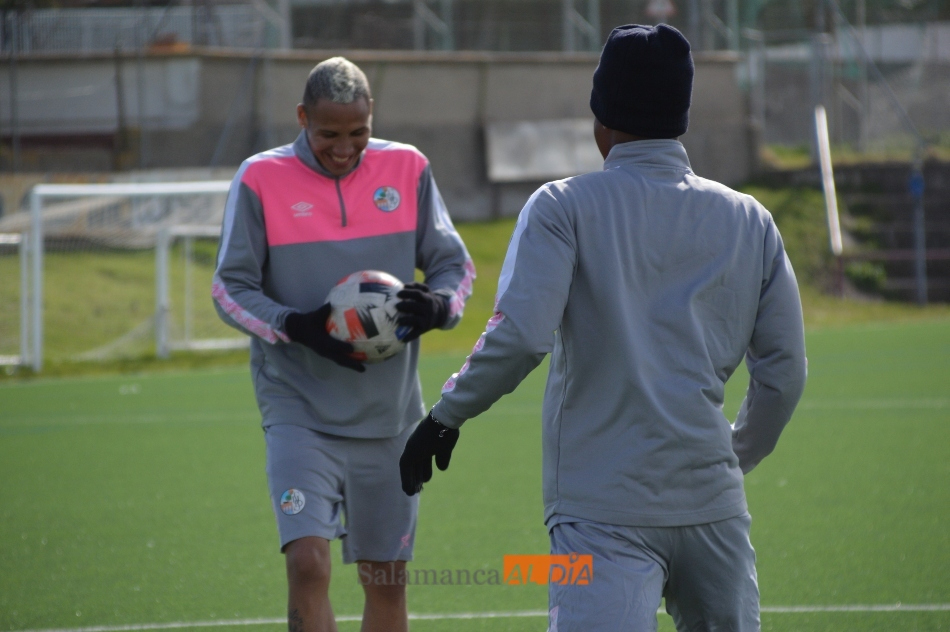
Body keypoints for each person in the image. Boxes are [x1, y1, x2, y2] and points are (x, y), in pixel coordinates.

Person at [400, 24, 807, 632]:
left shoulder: (563, 206)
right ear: (682, 115)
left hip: (600, 510)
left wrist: (444, 416)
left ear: (601, 117)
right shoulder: (750, 219)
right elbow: (784, 373)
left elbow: (521, 336)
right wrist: (731, 456)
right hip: (714, 507)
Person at [213, 57, 475, 632]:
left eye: (357, 132)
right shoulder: (260, 177)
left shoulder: (408, 167)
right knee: (307, 564)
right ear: (302, 117)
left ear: (372, 115)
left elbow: (454, 266)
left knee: (386, 578)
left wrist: (439, 306)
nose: (343, 148)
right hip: (298, 409)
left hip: (390, 416)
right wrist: (295, 324)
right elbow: (229, 289)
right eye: (328, 133)